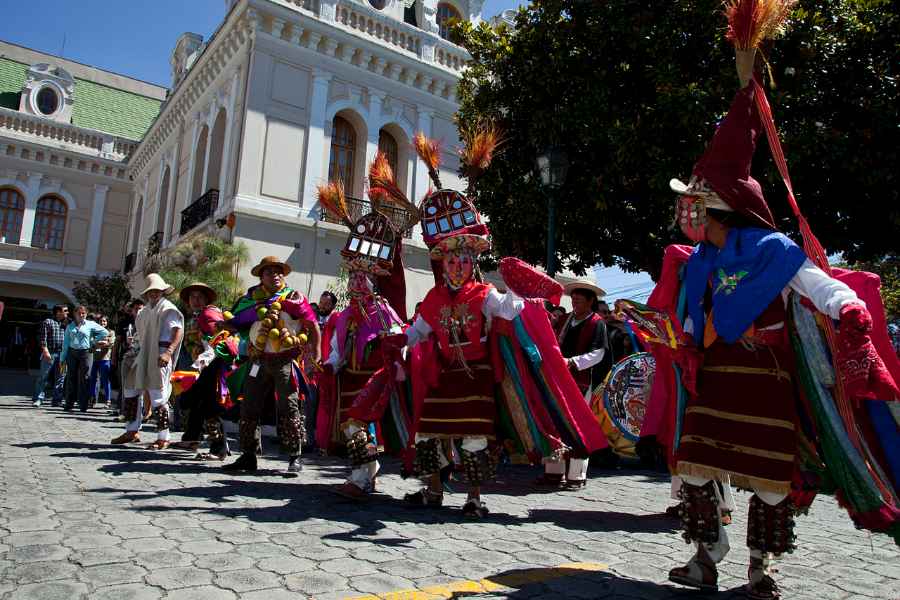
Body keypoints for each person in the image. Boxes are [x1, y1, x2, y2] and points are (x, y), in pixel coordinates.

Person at [660, 24, 899, 598]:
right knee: (692, 465)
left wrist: (851, 314)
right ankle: (704, 556)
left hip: (766, 380)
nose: (688, 214)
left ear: (719, 209)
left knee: (769, 480)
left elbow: (822, 286)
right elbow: (696, 318)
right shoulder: (699, 262)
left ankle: (760, 569)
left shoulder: (774, 254)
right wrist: (681, 340)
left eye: (696, 204)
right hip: (716, 376)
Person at [313, 172, 410, 499]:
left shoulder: (384, 311)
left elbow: (399, 341)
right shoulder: (343, 316)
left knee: (357, 425)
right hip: (351, 379)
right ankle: (366, 475)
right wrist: (329, 364)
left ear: (373, 280)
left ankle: (362, 477)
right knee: (353, 426)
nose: (357, 281)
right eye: (353, 275)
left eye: (363, 276)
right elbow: (339, 347)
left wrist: (394, 360)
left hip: (376, 379)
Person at [222, 256, 320, 476]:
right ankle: (248, 455)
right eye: (269, 272)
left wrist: (317, 354)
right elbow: (235, 322)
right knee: (249, 406)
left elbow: (312, 325)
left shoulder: (294, 298)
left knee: (289, 406)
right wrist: (221, 324)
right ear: (261, 277)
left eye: (278, 271)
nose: (275, 275)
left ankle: (295, 456)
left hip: (284, 360)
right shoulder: (249, 300)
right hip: (257, 361)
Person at [111, 274, 183, 449]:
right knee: (130, 388)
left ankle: (163, 437)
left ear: (162, 291)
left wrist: (168, 352)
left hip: (160, 353)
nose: (154, 294)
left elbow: (177, 331)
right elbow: (140, 335)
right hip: (143, 354)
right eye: (151, 291)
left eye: (157, 290)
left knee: (157, 395)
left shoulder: (168, 309)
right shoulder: (144, 312)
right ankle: (132, 430)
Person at [61, 306, 108, 412]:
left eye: (83, 313)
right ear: (75, 314)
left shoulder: (90, 324)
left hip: (86, 352)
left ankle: (83, 404)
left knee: (85, 378)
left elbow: (104, 332)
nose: (81, 315)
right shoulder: (70, 326)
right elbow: (66, 343)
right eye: (79, 313)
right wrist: (62, 358)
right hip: (72, 352)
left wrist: (94, 341)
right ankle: (69, 403)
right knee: (71, 377)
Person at [32, 304, 68, 408]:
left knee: (61, 377)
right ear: (58, 312)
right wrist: (45, 351)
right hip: (50, 353)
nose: (67, 313)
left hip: (63, 355)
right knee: (43, 376)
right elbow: (43, 338)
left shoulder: (67, 323)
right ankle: (38, 398)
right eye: (65, 311)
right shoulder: (48, 322)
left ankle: (57, 400)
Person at [88, 315, 115, 408]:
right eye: (100, 321)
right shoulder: (94, 332)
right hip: (95, 359)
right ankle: (92, 399)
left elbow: (110, 344)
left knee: (105, 380)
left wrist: (98, 344)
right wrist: (99, 344)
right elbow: (90, 344)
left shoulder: (110, 332)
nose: (102, 323)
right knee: (93, 380)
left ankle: (108, 400)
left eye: (104, 321)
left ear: (107, 322)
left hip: (105, 359)